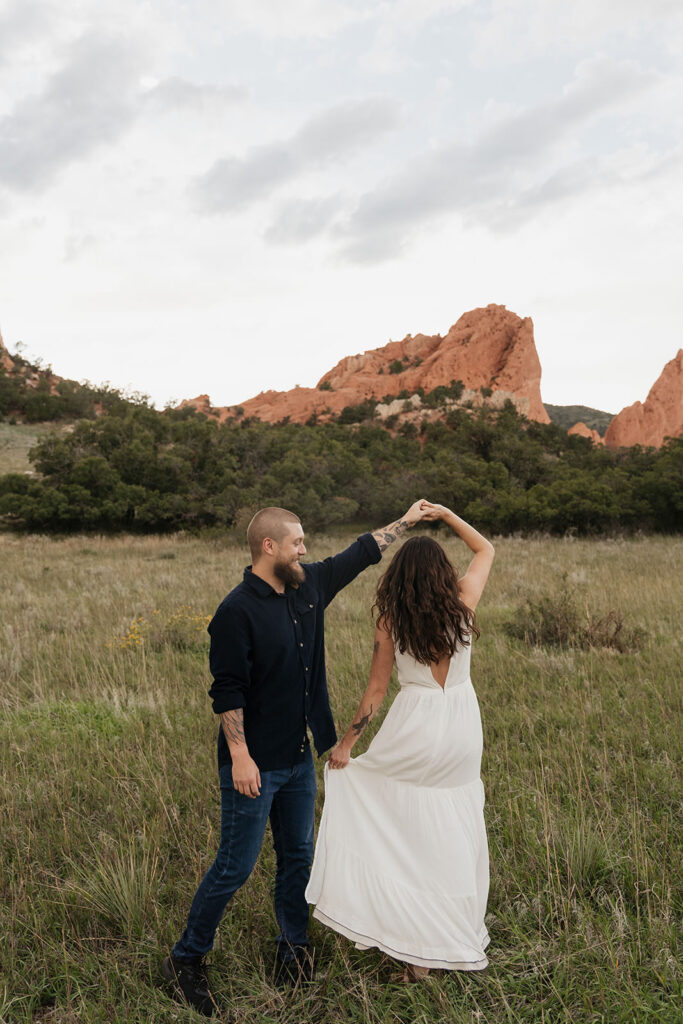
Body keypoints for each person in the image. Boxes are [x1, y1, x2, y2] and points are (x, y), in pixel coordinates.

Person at [162, 501, 428, 1016]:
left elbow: (361, 553)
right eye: (297, 542)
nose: (305, 549)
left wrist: (407, 521)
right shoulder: (236, 611)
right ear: (269, 547)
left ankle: (292, 948)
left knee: (298, 858)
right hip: (254, 764)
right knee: (235, 867)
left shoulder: (308, 587)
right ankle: (185, 959)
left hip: (299, 758)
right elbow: (228, 691)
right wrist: (239, 757)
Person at [305, 502, 494, 980]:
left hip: (415, 725)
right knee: (451, 822)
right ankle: (440, 940)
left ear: (400, 578)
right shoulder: (464, 602)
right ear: (443, 573)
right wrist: (447, 515)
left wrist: (346, 746)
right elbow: (485, 548)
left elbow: (374, 694)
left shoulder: (392, 620)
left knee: (404, 822)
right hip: (461, 729)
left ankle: (414, 948)